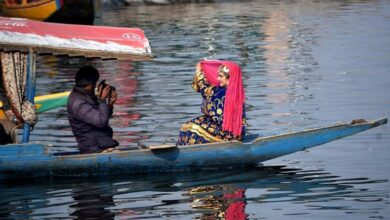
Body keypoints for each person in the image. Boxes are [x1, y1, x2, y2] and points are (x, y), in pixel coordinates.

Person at [177, 60, 246, 145]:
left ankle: (188, 151)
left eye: (221, 76)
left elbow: (209, 101)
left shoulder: (226, 93)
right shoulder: (228, 90)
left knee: (192, 128)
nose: (218, 79)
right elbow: (207, 92)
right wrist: (199, 72)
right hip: (226, 129)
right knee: (186, 125)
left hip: (229, 134)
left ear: (229, 78)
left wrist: (199, 73)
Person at [67, 65, 119, 154]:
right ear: (90, 85)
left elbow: (102, 116)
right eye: (95, 83)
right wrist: (102, 100)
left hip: (102, 145)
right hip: (95, 149)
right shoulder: (78, 103)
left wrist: (110, 104)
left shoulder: (86, 97)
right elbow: (101, 121)